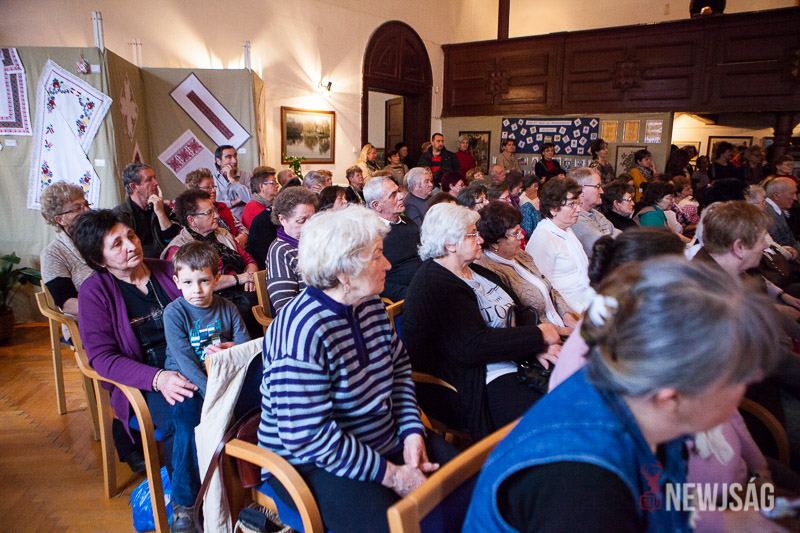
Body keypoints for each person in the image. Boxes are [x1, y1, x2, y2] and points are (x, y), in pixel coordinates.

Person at [463, 257, 783, 533]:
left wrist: (738, 521)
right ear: (670, 396)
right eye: (739, 377)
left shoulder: (633, 402)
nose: (748, 385)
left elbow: (658, 505)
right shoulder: (587, 491)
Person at [258, 205, 457, 533]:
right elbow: (308, 437)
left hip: (381, 437)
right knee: (402, 527)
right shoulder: (300, 332)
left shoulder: (370, 304)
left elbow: (399, 371)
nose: (388, 264)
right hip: (313, 462)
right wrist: (393, 476)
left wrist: (412, 432)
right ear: (343, 272)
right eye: (377, 256)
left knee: (470, 491)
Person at [73, 210, 203, 532]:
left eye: (130, 236)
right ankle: (187, 507)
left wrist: (216, 341)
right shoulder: (95, 291)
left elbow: (204, 314)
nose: (131, 245)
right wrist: (158, 379)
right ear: (99, 259)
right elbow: (102, 358)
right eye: (116, 244)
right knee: (184, 412)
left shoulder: (167, 271)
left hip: (193, 363)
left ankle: (241, 483)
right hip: (144, 381)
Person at [403, 203, 560, 438]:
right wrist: (538, 336)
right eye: (472, 234)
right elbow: (473, 345)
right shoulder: (433, 284)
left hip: (511, 359)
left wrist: (536, 347)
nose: (481, 240)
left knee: (575, 386)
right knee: (548, 420)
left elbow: (518, 312)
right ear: (450, 244)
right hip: (473, 379)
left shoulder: (475, 270)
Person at [162, 189, 261, 337]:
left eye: (214, 210)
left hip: (246, 294)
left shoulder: (223, 234)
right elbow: (196, 285)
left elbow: (248, 259)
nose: (217, 215)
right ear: (192, 220)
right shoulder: (179, 248)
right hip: (213, 309)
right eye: (209, 213)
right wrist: (240, 278)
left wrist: (250, 276)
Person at [475, 201, 578, 336]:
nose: (522, 236)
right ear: (495, 242)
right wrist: (560, 331)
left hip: (559, 323)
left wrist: (567, 315)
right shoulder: (490, 271)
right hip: (540, 335)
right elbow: (519, 319)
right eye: (515, 233)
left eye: (520, 230)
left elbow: (549, 288)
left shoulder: (521, 255)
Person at [163, 241, 250, 399]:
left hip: (223, 371)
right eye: (188, 282)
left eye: (204, 281)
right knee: (186, 407)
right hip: (188, 379)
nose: (197, 290)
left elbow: (245, 347)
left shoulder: (228, 307)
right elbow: (185, 362)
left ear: (216, 278)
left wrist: (234, 350)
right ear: (177, 282)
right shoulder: (174, 313)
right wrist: (212, 394)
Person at [527, 177, 596, 312]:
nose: (578, 209)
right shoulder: (543, 238)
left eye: (579, 204)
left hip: (587, 302)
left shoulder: (567, 230)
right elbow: (543, 289)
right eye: (571, 205)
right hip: (569, 311)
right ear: (553, 208)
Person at [39, 182, 95, 317]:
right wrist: (111, 309)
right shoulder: (52, 254)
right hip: (88, 319)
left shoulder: (101, 237)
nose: (88, 210)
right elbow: (67, 304)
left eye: (86, 204)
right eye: (77, 208)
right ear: (60, 219)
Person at [364, 176, 421, 302]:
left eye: (399, 191)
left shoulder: (408, 223)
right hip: (406, 298)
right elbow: (373, 280)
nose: (401, 196)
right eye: (393, 195)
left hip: (425, 284)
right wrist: (411, 294)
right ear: (377, 205)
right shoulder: (370, 235)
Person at [266, 186, 319, 313]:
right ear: (282, 219)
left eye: (312, 219)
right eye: (301, 221)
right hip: (307, 316)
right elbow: (284, 308)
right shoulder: (280, 251)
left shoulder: (316, 242)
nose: (309, 226)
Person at [113, 163, 180, 258]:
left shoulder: (162, 208)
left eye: (154, 178)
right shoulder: (120, 215)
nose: (156, 183)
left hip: (165, 261)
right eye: (149, 180)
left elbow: (173, 241)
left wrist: (160, 213)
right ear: (133, 187)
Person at [185, 168, 249, 247]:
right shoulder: (194, 216)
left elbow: (242, 228)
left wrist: (243, 236)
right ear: (195, 191)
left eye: (213, 186)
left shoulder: (222, 206)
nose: (213, 190)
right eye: (208, 187)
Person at [570, 167, 621, 258]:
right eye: (597, 186)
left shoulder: (596, 214)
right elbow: (603, 249)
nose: (602, 191)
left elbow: (621, 235)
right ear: (581, 190)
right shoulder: (575, 218)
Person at [213, 145, 251, 218]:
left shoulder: (247, 177)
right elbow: (212, 204)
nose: (234, 161)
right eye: (228, 157)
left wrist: (232, 180)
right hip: (221, 222)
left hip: (243, 222)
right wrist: (234, 202)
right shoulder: (213, 179)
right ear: (218, 161)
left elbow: (250, 200)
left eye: (235, 156)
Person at [764, 177, 800, 255]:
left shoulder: (778, 210)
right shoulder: (766, 213)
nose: (795, 198)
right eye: (792, 193)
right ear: (776, 195)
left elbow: (791, 241)